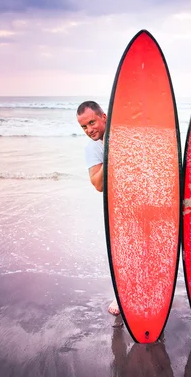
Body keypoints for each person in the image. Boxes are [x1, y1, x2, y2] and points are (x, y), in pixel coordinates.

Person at [76, 100, 120, 315]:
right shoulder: (93, 147)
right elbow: (98, 184)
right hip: (118, 205)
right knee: (121, 251)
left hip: (143, 199)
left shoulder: (124, 132)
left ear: (104, 116)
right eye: (84, 127)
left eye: (92, 122)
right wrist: (109, 155)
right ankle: (122, 296)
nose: (89, 130)